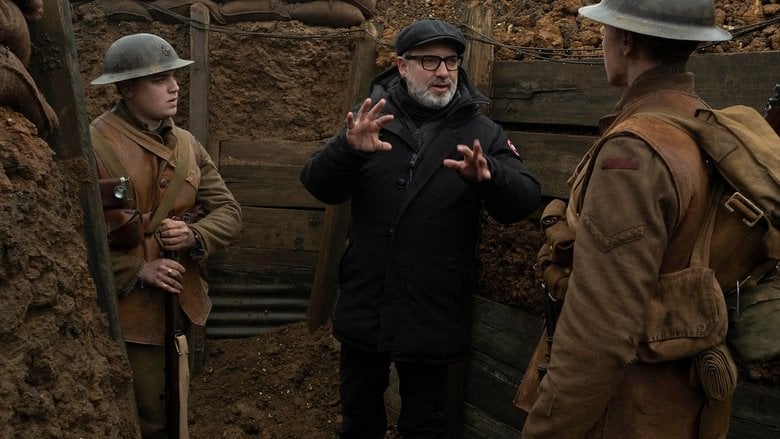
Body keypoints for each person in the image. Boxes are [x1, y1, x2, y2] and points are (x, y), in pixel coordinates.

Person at [300, 19, 541, 439]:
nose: (444, 72)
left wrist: (491, 177)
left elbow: (524, 199)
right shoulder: (372, 120)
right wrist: (347, 150)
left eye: (451, 61)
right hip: (366, 300)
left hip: (434, 307)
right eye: (429, 61)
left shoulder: (481, 131)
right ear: (401, 66)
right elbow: (318, 185)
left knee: (424, 424)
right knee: (358, 417)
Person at [518, 1, 736, 437]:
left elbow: (600, 332)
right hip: (677, 405)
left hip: (627, 411)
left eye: (606, 28)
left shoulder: (634, 150)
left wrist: (545, 430)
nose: (603, 40)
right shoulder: (697, 122)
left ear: (627, 39)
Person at [90, 33, 242, 438]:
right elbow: (74, 236)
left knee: (175, 408)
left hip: (179, 301)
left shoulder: (188, 146)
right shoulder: (93, 144)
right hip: (126, 312)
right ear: (126, 89)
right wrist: (138, 269)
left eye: (174, 77)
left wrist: (194, 235)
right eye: (159, 80)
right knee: (145, 417)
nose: (174, 87)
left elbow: (229, 212)